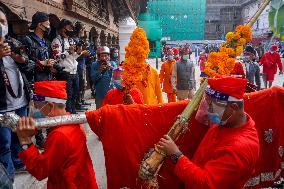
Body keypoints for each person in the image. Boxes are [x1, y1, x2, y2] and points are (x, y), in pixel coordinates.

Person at [157, 76, 260, 189]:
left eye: (211, 107)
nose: (208, 111)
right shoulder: (226, 121)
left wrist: (176, 155)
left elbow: (207, 184)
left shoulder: (239, 149)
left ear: (233, 107)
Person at [16, 81, 98, 189]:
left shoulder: (59, 135)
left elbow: (40, 171)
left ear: (50, 105)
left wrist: (25, 141)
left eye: (36, 106)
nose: (35, 110)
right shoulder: (71, 123)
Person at [0, 7, 32, 180]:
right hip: (2, 107)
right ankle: (8, 179)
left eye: (4, 21)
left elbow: (29, 65)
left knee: (19, 136)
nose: (2, 25)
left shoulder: (13, 43)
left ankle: (19, 162)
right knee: (4, 143)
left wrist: (20, 59)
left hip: (19, 100)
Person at [21, 11, 56, 149]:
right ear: (40, 25)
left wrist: (52, 65)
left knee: (48, 109)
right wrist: (41, 63)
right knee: (38, 111)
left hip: (47, 79)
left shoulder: (46, 42)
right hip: (35, 81)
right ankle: (39, 138)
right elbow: (24, 62)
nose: (49, 26)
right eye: (47, 23)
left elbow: (48, 60)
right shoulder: (27, 40)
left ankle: (49, 136)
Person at [52, 19, 86, 113]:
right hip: (65, 73)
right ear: (63, 28)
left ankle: (73, 111)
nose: (71, 29)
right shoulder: (57, 41)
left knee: (75, 94)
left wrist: (78, 53)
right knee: (68, 96)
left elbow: (73, 56)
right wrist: (67, 52)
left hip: (74, 72)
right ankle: (68, 113)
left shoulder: (71, 40)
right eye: (69, 27)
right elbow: (56, 57)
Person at [73, 22, 90, 111]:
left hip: (82, 63)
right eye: (83, 29)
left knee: (83, 83)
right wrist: (83, 53)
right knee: (79, 84)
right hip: (77, 64)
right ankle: (77, 103)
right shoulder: (74, 40)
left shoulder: (80, 39)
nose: (84, 31)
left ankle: (81, 100)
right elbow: (75, 54)